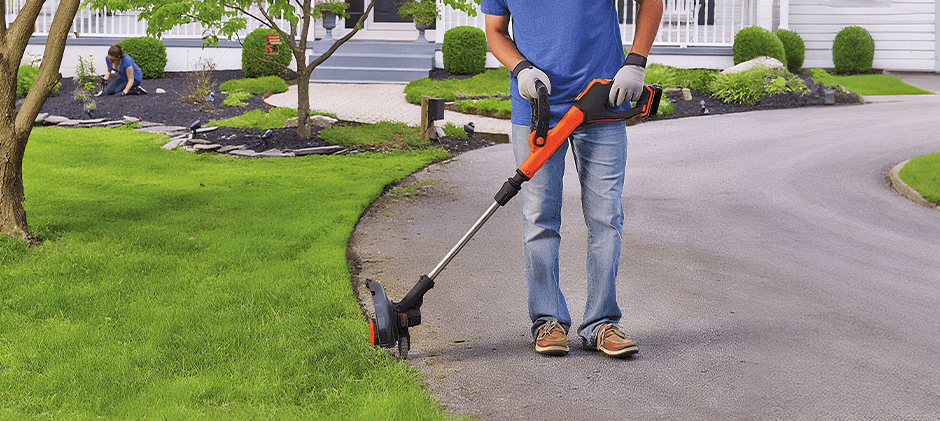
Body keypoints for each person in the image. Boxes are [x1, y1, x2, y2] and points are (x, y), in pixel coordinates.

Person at [482, 0, 663, 358]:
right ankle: (547, 321)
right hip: (538, 107)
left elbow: (652, 2)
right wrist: (520, 69)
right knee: (539, 218)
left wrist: (635, 63)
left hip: (603, 100)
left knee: (606, 216)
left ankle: (601, 324)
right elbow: (495, 31)